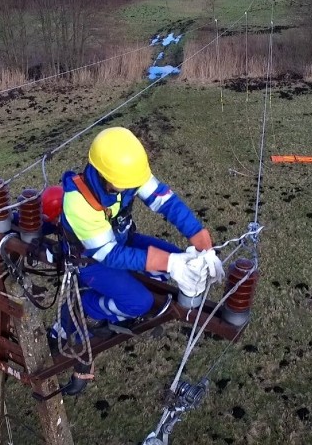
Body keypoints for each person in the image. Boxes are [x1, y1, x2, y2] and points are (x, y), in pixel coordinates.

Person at [51, 126, 223, 395]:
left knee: (171, 260)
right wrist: (166, 262)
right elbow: (109, 255)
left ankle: (119, 307)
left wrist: (199, 237)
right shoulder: (78, 203)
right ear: (107, 176)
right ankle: (85, 304)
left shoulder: (126, 174)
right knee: (138, 302)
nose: (135, 187)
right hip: (89, 261)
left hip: (121, 242)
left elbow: (165, 202)